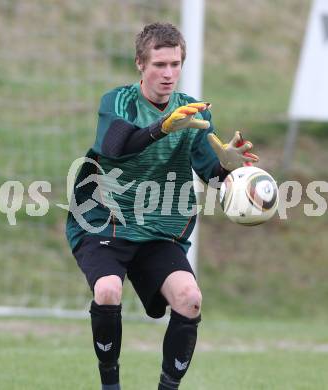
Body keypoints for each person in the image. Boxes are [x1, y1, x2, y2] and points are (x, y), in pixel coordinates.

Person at [66, 22, 258, 390]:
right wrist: (163, 128)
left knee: (190, 299)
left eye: (175, 64)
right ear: (141, 63)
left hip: (158, 229)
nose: (168, 73)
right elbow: (116, 147)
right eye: (159, 64)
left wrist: (229, 168)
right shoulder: (117, 102)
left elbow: (211, 174)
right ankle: (111, 387)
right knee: (107, 289)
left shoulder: (192, 112)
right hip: (104, 222)